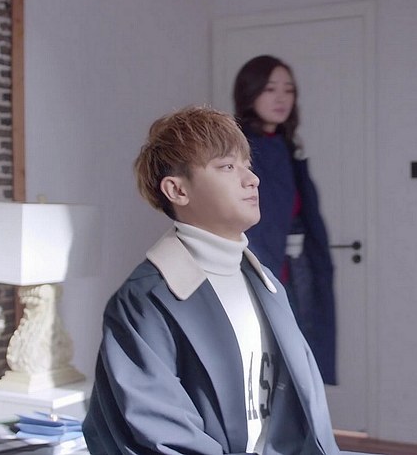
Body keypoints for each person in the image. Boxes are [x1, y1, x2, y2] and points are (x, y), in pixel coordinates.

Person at [82, 106, 368, 454]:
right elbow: (162, 437)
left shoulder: (265, 283)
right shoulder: (145, 301)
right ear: (177, 190)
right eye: (227, 167)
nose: (252, 179)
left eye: (247, 164)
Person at [233, 55, 336, 385]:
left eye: (289, 90)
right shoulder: (238, 148)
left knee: (301, 359)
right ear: (250, 93)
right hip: (261, 265)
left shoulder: (287, 146)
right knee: (269, 363)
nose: (281, 98)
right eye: (270, 89)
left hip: (297, 265)